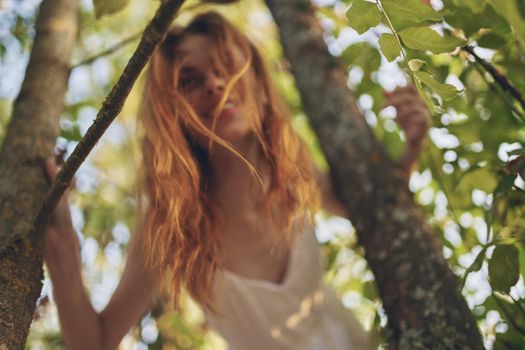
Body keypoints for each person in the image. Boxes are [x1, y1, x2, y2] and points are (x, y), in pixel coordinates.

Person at [43, 11, 431, 350]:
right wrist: (62, 244)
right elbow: (94, 343)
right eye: (190, 80)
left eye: (226, 66)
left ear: (260, 87)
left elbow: (370, 213)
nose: (215, 84)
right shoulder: (170, 223)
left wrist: (411, 146)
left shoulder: (291, 166)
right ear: (171, 113)